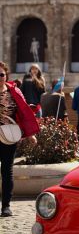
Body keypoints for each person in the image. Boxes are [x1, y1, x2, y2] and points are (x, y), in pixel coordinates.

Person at [0, 61, 39, 216]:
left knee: (6, 170)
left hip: (9, 135)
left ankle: (6, 206)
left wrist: (30, 134)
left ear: (6, 75)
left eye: (1, 74)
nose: (0, 77)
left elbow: (24, 114)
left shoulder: (14, 91)